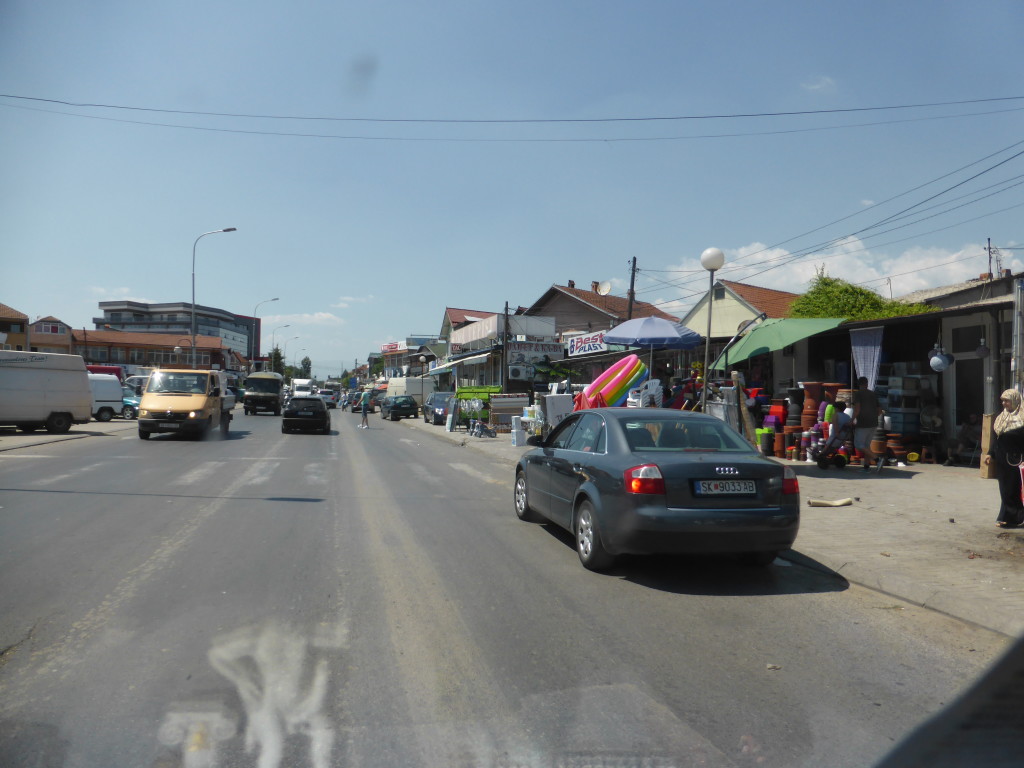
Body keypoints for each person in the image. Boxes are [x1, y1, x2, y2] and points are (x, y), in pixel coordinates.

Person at [983, 390, 1024, 528]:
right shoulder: (1002, 417)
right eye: (1003, 401)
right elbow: (998, 439)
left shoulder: (1022, 419)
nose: (1004, 403)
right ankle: (1009, 516)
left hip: (1015, 459)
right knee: (1005, 489)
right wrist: (990, 453)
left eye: (1007, 400)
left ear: (1015, 400)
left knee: (1012, 488)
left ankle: (1013, 518)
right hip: (1002, 459)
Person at [852, 376, 884, 472]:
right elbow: (880, 410)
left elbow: (857, 409)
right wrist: (873, 416)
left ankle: (877, 459)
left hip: (863, 423)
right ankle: (866, 467)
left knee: (859, 445)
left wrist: (851, 420)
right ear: (867, 383)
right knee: (866, 445)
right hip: (874, 423)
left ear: (858, 384)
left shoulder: (858, 394)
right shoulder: (873, 394)